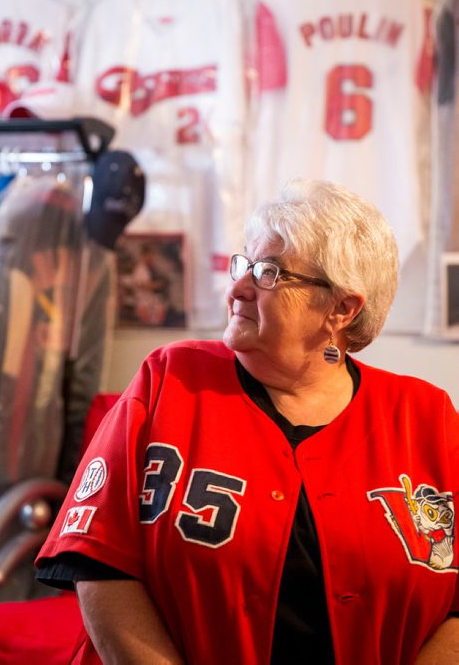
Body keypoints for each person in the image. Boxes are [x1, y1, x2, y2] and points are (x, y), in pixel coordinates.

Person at [35, 179, 459, 665]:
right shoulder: (169, 380)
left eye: (270, 273)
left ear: (341, 309)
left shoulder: (427, 417)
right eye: (245, 264)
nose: (236, 287)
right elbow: (96, 559)